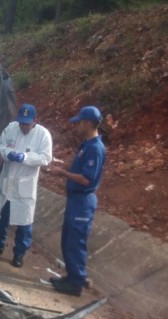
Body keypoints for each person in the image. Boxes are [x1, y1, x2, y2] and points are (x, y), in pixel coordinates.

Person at [0, 104, 52, 268]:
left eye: (27, 123)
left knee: (23, 222)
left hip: (25, 186)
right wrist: (8, 153)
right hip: (7, 181)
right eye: (21, 123)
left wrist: (25, 157)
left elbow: (45, 158)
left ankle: (19, 254)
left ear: (35, 121)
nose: (23, 126)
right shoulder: (11, 128)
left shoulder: (43, 135)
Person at [47, 106, 106, 296]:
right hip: (75, 200)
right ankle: (72, 277)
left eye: (79, 123)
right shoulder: (86, 146)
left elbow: (87, 179)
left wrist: (62, 173)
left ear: (88, 124)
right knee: (68, 240)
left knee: (76, 243)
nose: (77, 126)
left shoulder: (95, 149)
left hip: (82, 202)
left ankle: (76, 284)